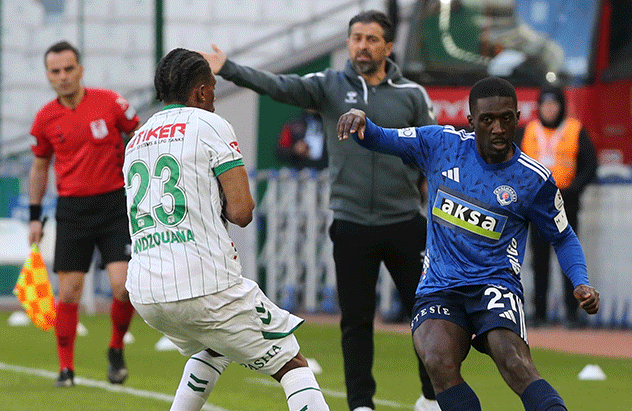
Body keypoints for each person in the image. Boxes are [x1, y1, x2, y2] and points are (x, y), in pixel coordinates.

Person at [199, 10, 439, 411]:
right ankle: (361, 404)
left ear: (388, 46)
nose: (362, 46)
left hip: (405, 222)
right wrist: (230, 69)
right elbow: (278, 86)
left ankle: (431, 398)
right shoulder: (328, 85)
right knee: (356, 321)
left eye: (371, 39)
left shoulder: (411, 94)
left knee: (427, 314)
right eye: (356, 38)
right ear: (347, 43)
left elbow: (431, 149)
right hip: (350, 222)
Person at [336, 76, 600, 411]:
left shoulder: (533, 179)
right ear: (472, 121)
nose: (498, 128)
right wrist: (361, 120)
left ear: (518, 118)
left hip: (495, 284)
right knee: (437, 358)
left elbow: (563, 236)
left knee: (513, 361)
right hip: (440, 285)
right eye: (488, 120)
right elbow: (379, 137)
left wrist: (581, 281)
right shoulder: (441, 144)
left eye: (506, 118)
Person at [123, 48, 329, 411]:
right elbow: (242, 211)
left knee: (215, 347)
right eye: (213, 90)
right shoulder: (209, 124)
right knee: (292, 363)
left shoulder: (137, 138)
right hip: (203, 283)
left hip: (145, 289)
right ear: (202, 90)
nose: (214, 99)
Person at [28, 40, 139, 387]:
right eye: (55, 71)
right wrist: (34, 215)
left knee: (123, 287)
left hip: (114, 205)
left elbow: (139, 137)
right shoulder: (45, 118)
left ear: (81, 70)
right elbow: (39, 168)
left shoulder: (111, 103)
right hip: (73, 210)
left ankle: (116, 348)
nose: (63, 76)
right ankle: (66, 370)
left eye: (68, 69)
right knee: (69, 292)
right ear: (48, 76)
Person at [516, 85, 597, 328]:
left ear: (562, 107)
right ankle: (539, 313)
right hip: (537, 205)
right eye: (545, 104)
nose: (549, 109)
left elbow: (590, 165)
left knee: (568, 259)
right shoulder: (529, 130)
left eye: (554, 104)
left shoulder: (575, 129)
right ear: (539, 107)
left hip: (566, 204)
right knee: (539, 261)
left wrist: (574, 190)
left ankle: (572, 313)